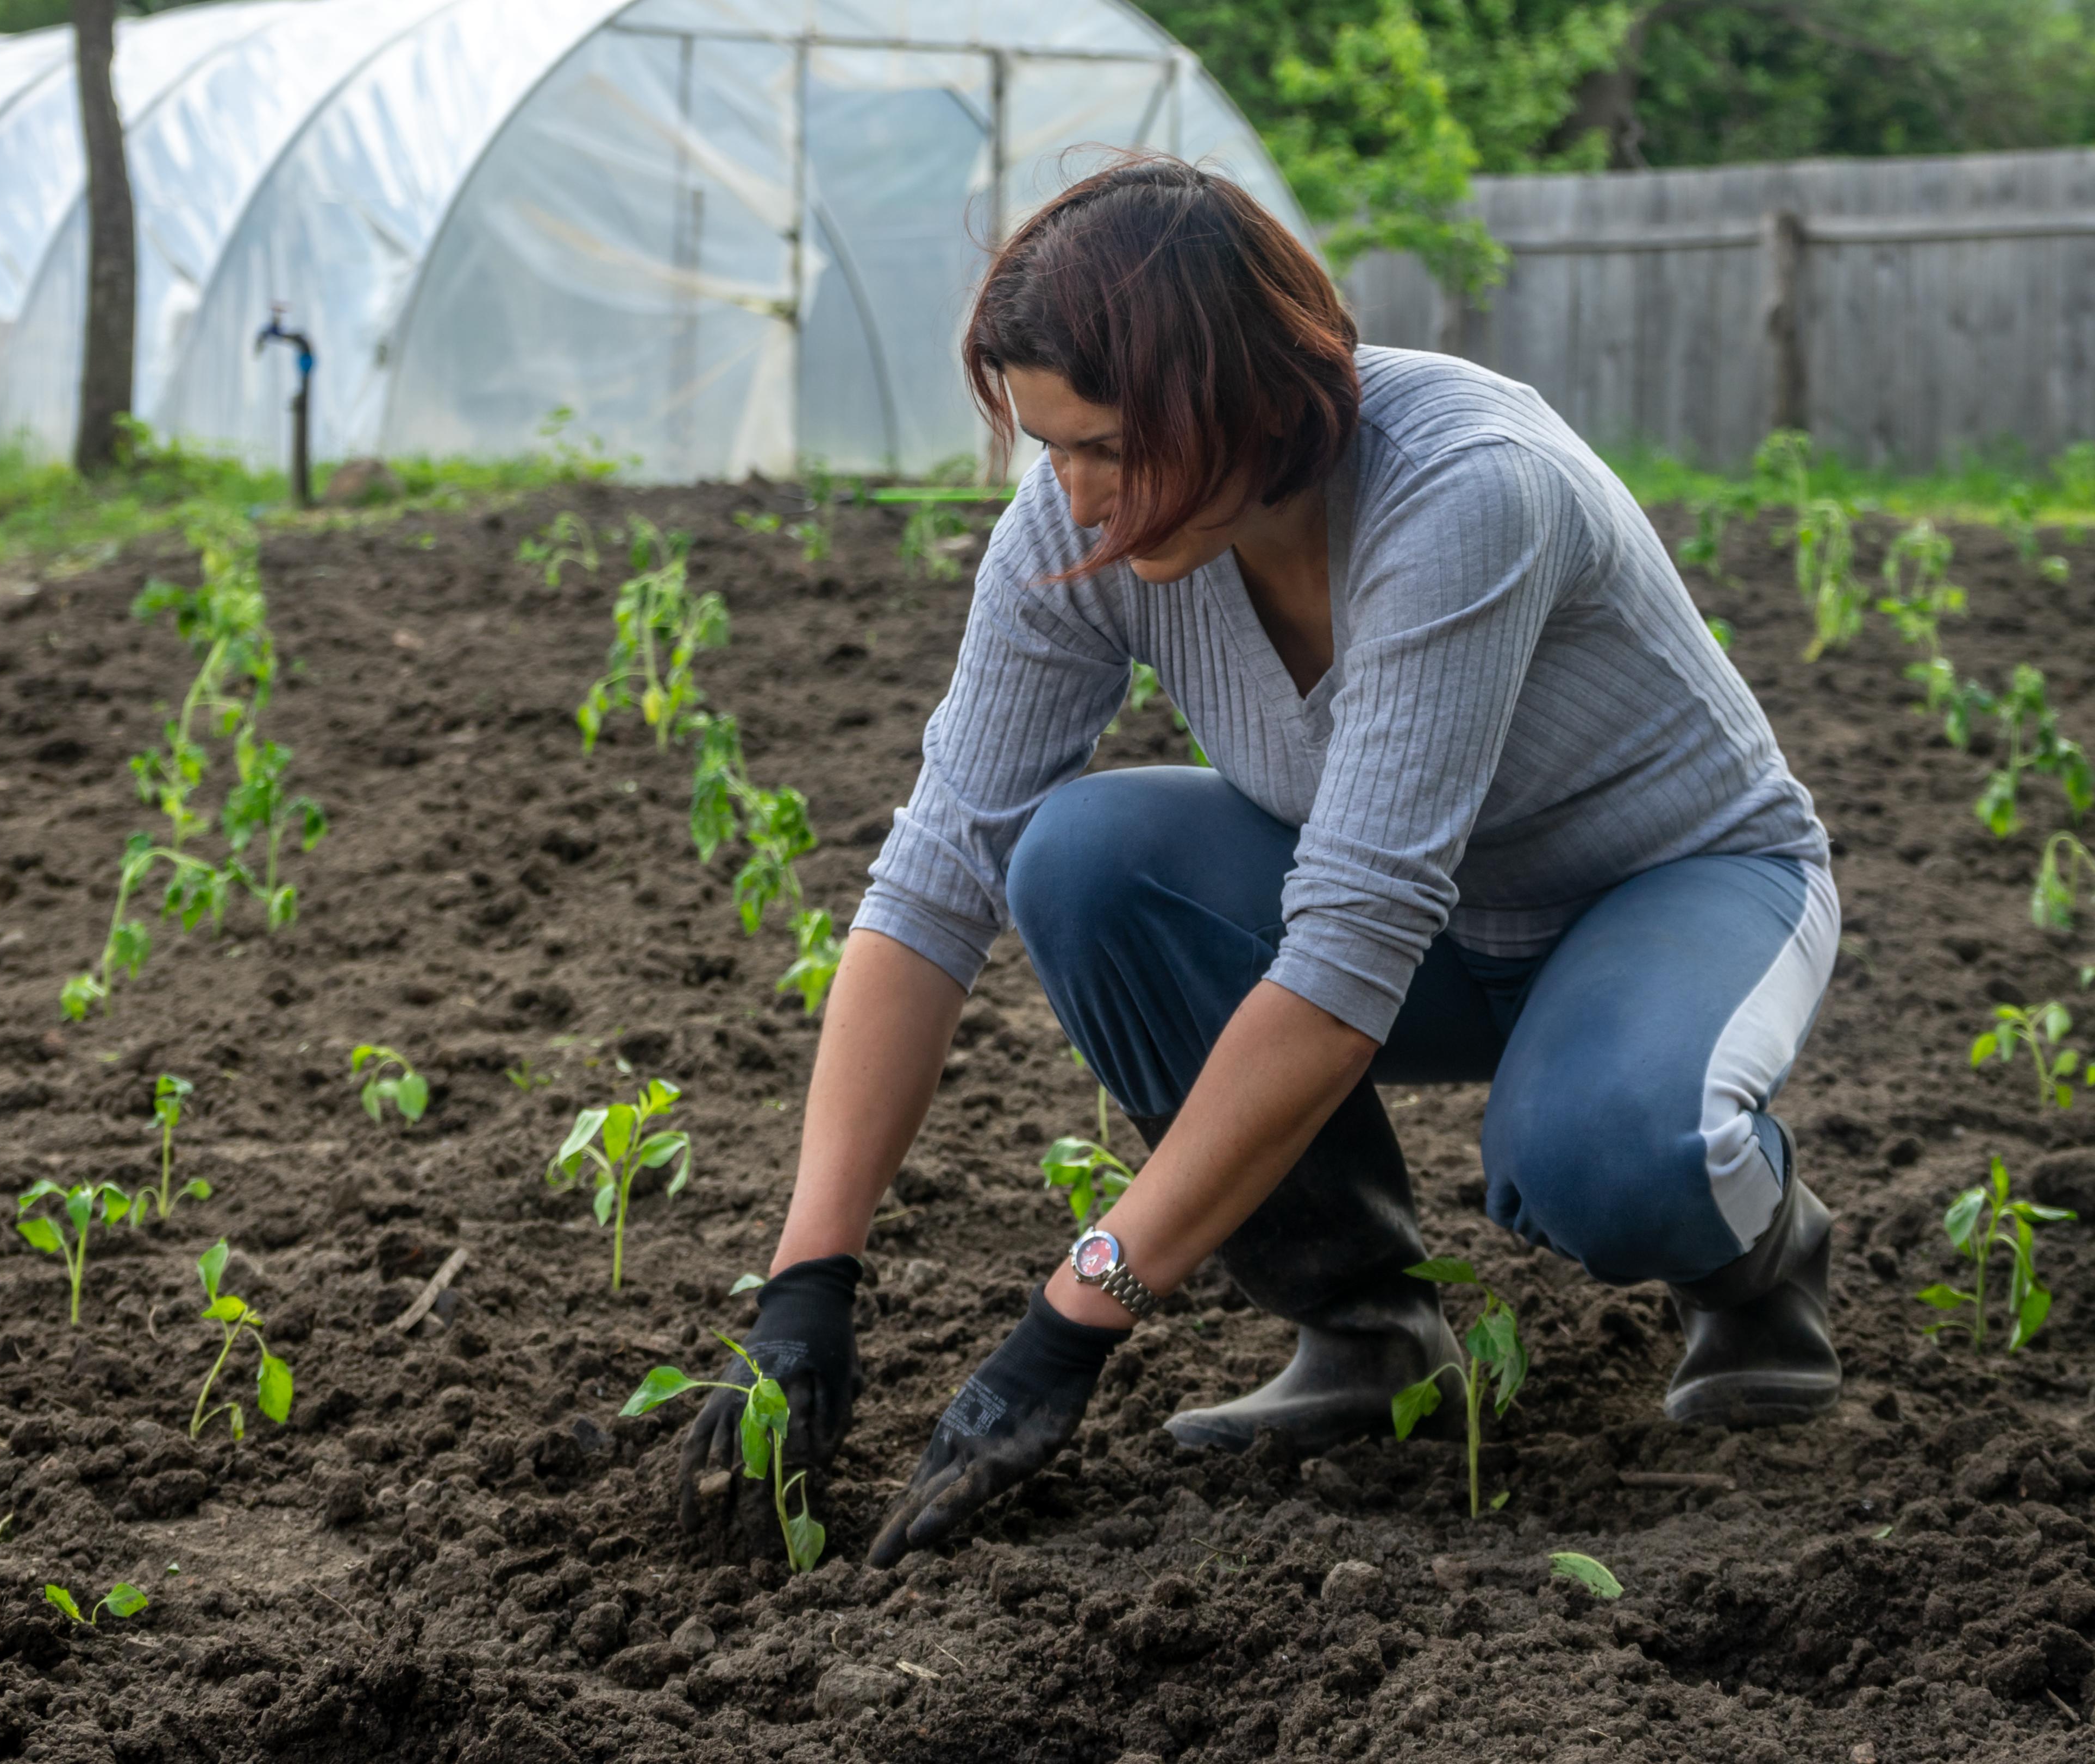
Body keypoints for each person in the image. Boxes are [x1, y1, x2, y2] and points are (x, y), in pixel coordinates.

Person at [678, 156, 1838, 1568]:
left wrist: (1072, 1320)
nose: (1081, 498)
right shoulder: (1080, 529)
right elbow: (932, 884)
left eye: (1109, 446)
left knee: (1605, 1155)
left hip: (1670, 892)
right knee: (1084, 859)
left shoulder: (1467, 491)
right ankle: (1366, 1330)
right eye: (1053, 448)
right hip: (1423, 941)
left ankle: (1759, 1256)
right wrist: (807, 1282)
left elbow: (1349, 955)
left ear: (1240, 393)